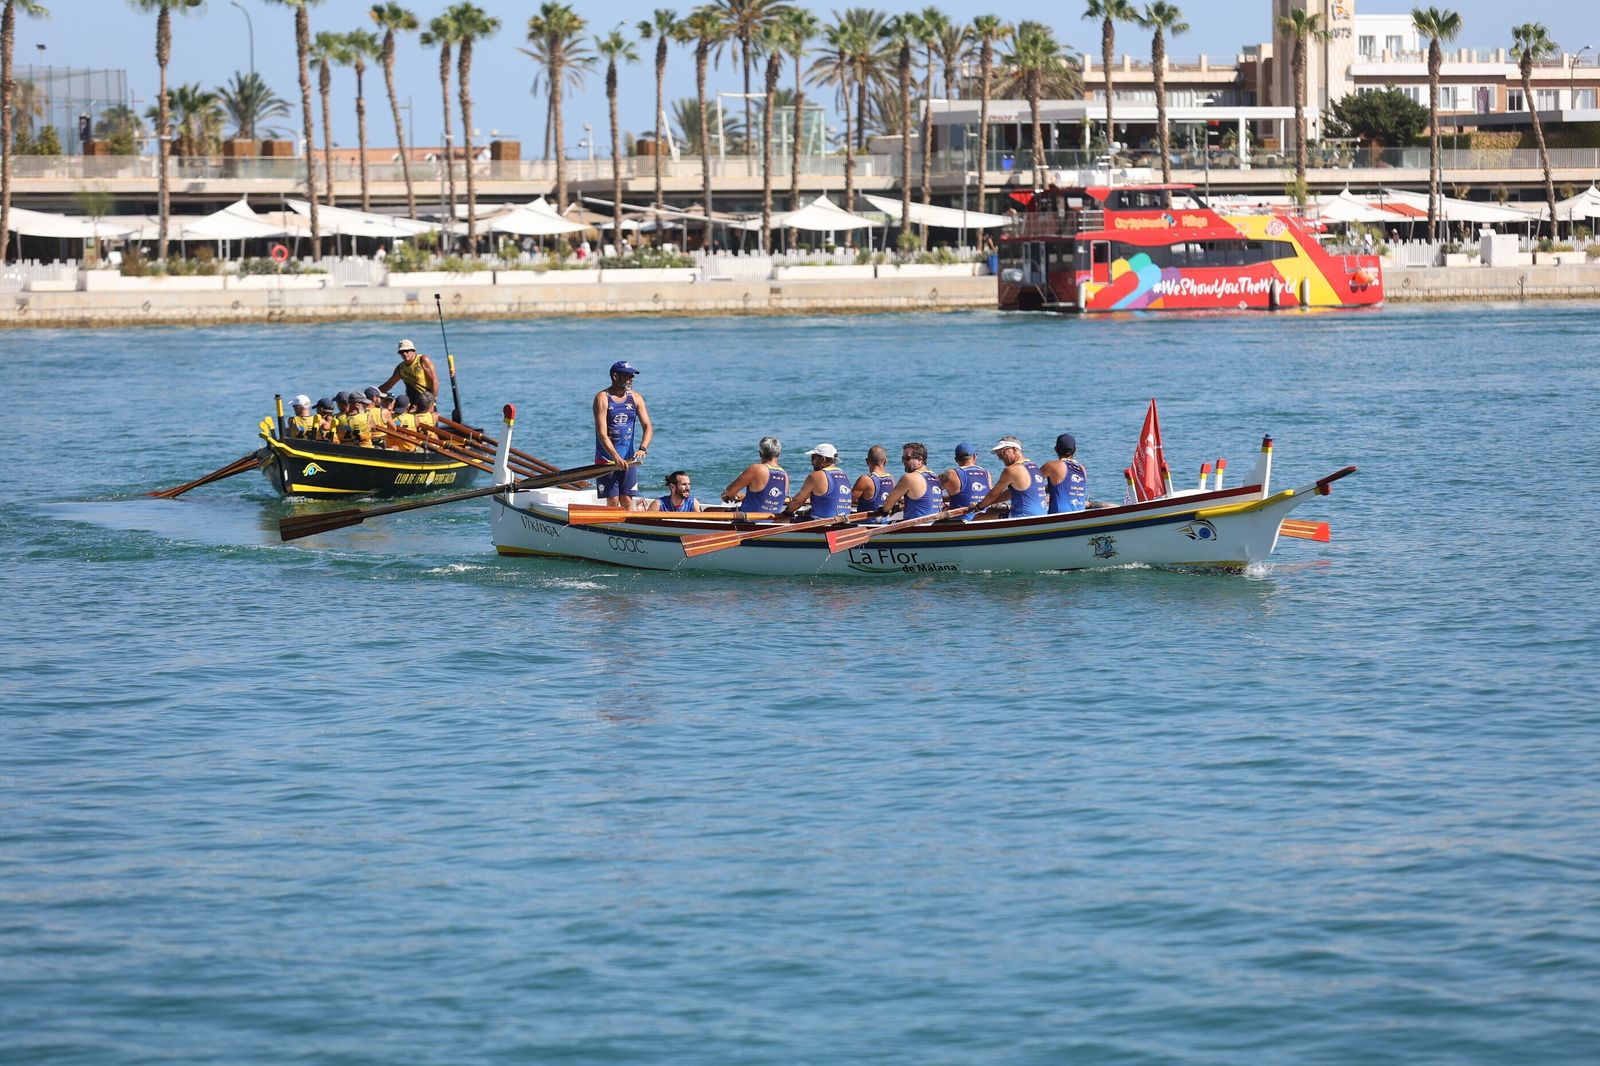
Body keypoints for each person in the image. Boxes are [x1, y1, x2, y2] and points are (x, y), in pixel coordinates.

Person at [592, 360, 653, 508]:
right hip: (607, 460)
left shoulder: (636, 398)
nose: (631, 379)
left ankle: (626, 529)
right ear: (614, 376)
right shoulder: (602, 398)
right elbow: (602, 433)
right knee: (613, 501)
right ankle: (610, 528)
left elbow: (648, 427)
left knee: (627, 500)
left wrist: (643, 448)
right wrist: (616, 458)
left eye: (632, 376)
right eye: (627, 375)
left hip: (629, 459)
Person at [969, 436, 1046, 518]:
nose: (1000, 457)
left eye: (1002, 453)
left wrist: (979, 506)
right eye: (998, 454)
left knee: (978, 517)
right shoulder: (1033, 465)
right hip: (1041, 513)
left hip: (1023, 515)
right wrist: (988, 503)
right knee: (990, 510)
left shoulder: (1011, 470)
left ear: (1014, 449)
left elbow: (992, 494)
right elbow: (1009, 493)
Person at [782, 443, 852, 522]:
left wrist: (786, 512)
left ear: (822, 459)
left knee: (783, 520)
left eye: (813, 458)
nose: (811, 462)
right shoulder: (843, 475)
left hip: (823, 523)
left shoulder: (817, 476)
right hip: (843, 521)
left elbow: (798, 501)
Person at [879, 442, 946, 520]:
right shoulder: (935, 477)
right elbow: (925, 502)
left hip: (918, 527)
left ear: (920, 460)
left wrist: (884, 510)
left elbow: (887, 505)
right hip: (935, 524)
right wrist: (901, 507)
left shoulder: (909, 478)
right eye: (902, 458)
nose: (904, 461)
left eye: (907, 458)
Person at [722, 436, 788, 514]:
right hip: (772, 520)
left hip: (749, 520)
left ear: (760, 453)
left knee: (709, 510)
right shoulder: (785, 475)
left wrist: (725, 494)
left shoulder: (756, 469)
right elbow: (769, 498)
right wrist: (742, 497)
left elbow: (729, 491)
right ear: (779, 454)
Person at [374, 339, 440, 409]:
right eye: (401, 352)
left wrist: (432, 402)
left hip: (426, 403)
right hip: (412, 404)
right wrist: (373, 393)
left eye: (407, 351)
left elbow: (435, 381)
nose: (404, 354)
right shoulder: (400, 368)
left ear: (413, 351)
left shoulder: (422, 360)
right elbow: (388, 385)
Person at [941, 442, 993, 522]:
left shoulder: (951, 474)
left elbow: (932, 493)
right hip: (984, 517)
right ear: (975, 457)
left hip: (962, 520)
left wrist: (942, 501)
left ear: (956, 459)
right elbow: (971, 494)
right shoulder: (987, 473)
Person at [1041, 432, 1088, 514]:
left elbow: (1031, 483)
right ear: (1075, 450)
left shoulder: (1051, 465)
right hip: (1080, 513)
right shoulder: (1082, 469)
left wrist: (1041, 496)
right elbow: (1065, 486)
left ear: (1056, 449)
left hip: (1058, 515)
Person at [850, 445, 895, 514]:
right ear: (885, 462)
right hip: (884, 522)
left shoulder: (865, 480)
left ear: (867, 461)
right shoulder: (891, 479)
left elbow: (847, 501)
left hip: (866, 522)